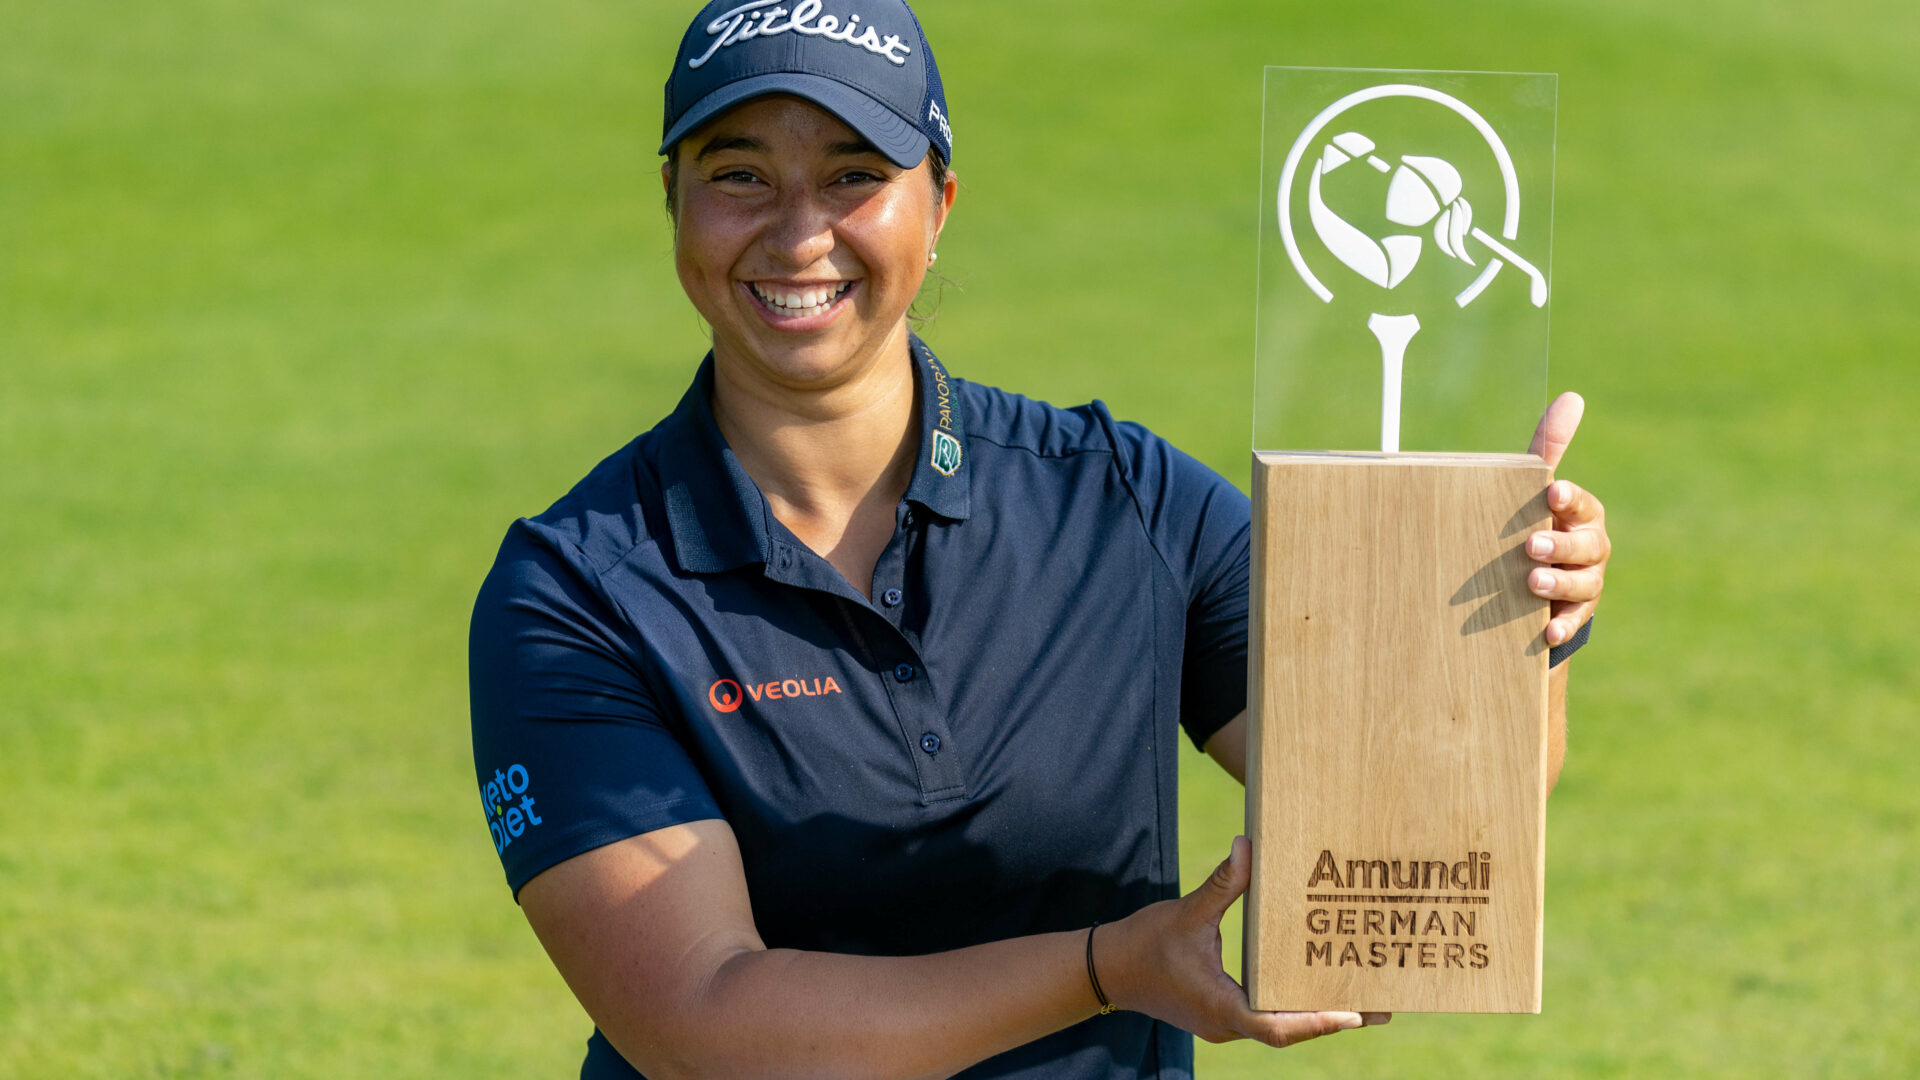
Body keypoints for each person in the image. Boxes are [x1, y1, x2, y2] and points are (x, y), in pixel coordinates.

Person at [467, 2, 1612, 1077]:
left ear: (942, 199)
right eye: (740, 177)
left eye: (856, 176)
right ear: (674, 197)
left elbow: (1406, 803)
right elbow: (702, 1025)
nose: (800, 232)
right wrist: (1109, 970)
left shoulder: (1127, 500)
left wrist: (1512, 614)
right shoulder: (574, 590)